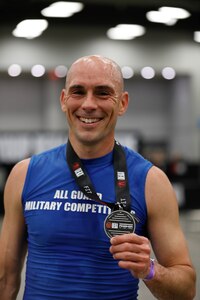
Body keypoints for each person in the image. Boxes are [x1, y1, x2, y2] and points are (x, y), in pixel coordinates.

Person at [0, 55, 196, 300]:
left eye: (103, 93)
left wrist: (150, 270)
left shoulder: (150, 181)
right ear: (63, 100)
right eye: (78, 92)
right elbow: (5, 280)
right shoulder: (25, 174)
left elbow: (186, 289)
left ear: (122, 103)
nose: (89, 104)